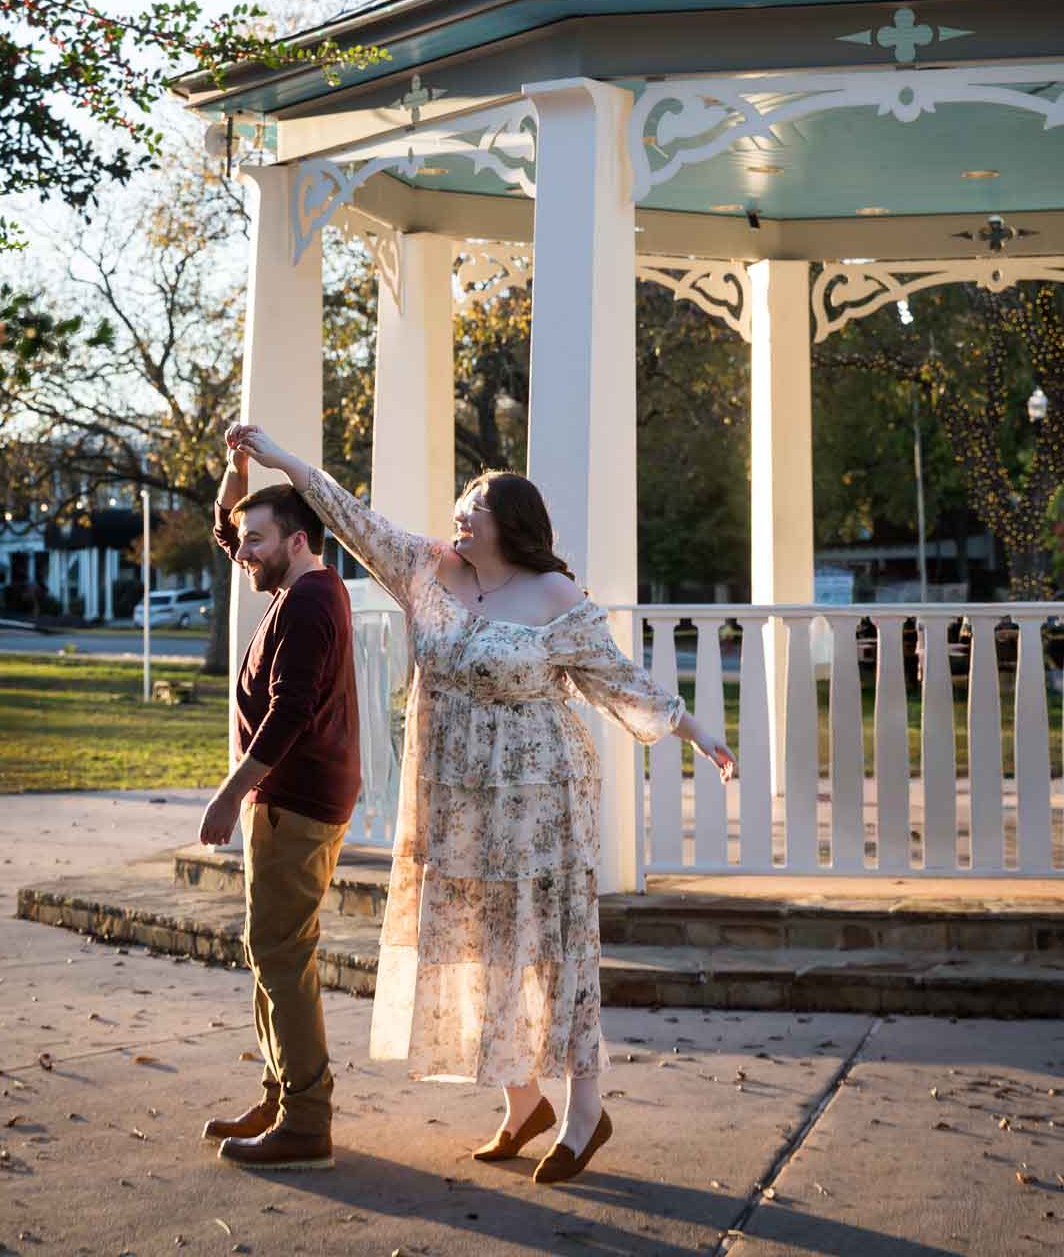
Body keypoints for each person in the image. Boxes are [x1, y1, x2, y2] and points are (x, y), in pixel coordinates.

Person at [226, 421, 735, 1187]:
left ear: (511, 523)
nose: (458, 517)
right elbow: (345, 512)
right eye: (459, 506)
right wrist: (279, 461)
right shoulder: (425, 568)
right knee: (478, 945)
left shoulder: (554, 595)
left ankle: (583, 1110)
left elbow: (617, 678)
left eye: (473, 508)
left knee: (551, 951)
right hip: (455, 799)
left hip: (541, 801)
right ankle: (521, 1100)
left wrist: (695, 733)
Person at [196, 441, 361, 1170]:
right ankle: (282, 1093)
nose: (243, 551)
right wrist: (235, 478)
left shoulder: (313, 600)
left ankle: (306, 1122)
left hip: (294, 799)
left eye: (258, 539)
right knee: (270, 952)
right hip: (289, 797)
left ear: (297, 540)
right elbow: (228, 533)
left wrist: (228, 797)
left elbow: (290, 711)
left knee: (282, 956)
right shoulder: (293, 582)